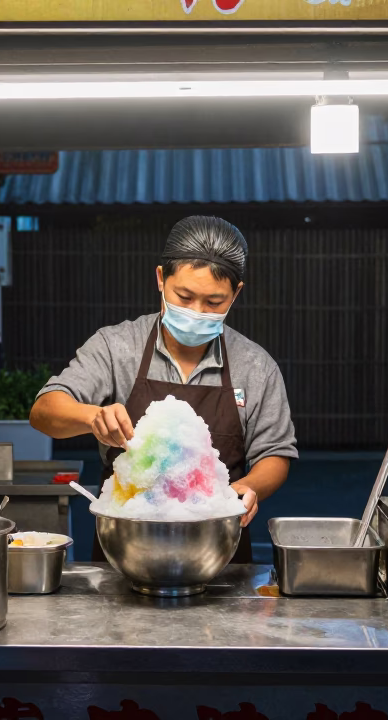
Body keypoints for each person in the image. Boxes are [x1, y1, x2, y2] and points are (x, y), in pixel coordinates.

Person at [29, 216, 297, 563]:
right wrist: (93, 416)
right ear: (160, 278)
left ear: (236, 294)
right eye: (184, 296)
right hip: (126, 549)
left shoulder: (256, 366)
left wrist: (249, 488)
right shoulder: (115, 347)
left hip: (217, 550)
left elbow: (275, 453)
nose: (196, 312)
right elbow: (44, 412)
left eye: (214, 303)